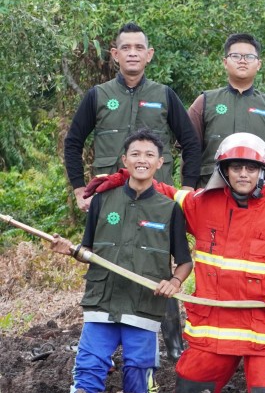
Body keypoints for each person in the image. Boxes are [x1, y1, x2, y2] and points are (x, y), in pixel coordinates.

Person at [89, 132, 265, 393]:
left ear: (263, 172)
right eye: (236, 167)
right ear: (223, 171)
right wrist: (125, 179)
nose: (243, 174)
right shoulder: (204, 203)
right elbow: (167, 195)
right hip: (215, 330)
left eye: (251, 168)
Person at [63, 21, 202, 361]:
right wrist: (80, 189)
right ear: (115, 54)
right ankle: (103, 346)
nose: (133, 53)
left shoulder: (164, 95)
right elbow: (73, 142)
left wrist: (186, 191)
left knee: (159, 263)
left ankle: (173, 345)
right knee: (106, 259)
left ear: (149, 54)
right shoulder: (98, 96)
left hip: (157, 197)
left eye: (139, 48)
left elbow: (190, 142)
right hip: (111, 197)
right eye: (125, 48)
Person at [53, 129, 192, 393]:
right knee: (88, 372)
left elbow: (185, 262)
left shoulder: (169, 209)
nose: (142, 160)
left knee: (139, 382)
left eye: (149, 155)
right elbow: (88, 249)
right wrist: (69, 250)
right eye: (135, 154)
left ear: (160, 163)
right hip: (101, 303)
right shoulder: (102, 200)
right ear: (124, 160)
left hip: (143, 307)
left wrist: (174, 282)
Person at [188, 33, 265, 184]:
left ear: (258, 64)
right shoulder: (204, 102)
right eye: (235, 56)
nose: (242, 61)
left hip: (259, 193)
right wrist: (188, 189)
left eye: (249, 57)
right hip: (211, 191)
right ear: (225, 62)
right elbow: (189, 151)